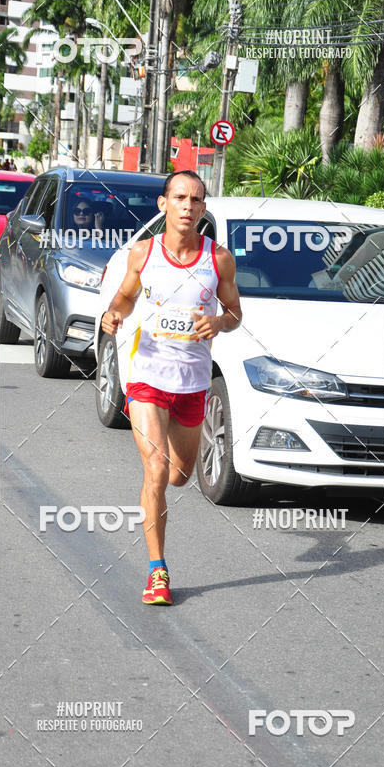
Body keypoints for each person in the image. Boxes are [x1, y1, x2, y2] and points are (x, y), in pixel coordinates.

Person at [100, 170, 241, 605]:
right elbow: (124, 297)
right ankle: (157, 570)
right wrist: (114, 314)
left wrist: (217, 321)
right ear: (163, 204)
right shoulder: (143, 254)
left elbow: (235, 313)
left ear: (203, 208)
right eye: (179, 197)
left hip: (193, 383)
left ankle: (169, 494)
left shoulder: (218, 260)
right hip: (148, 378)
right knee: (156, 471)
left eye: (196, 200)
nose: (187, 206)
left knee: (180, 475)